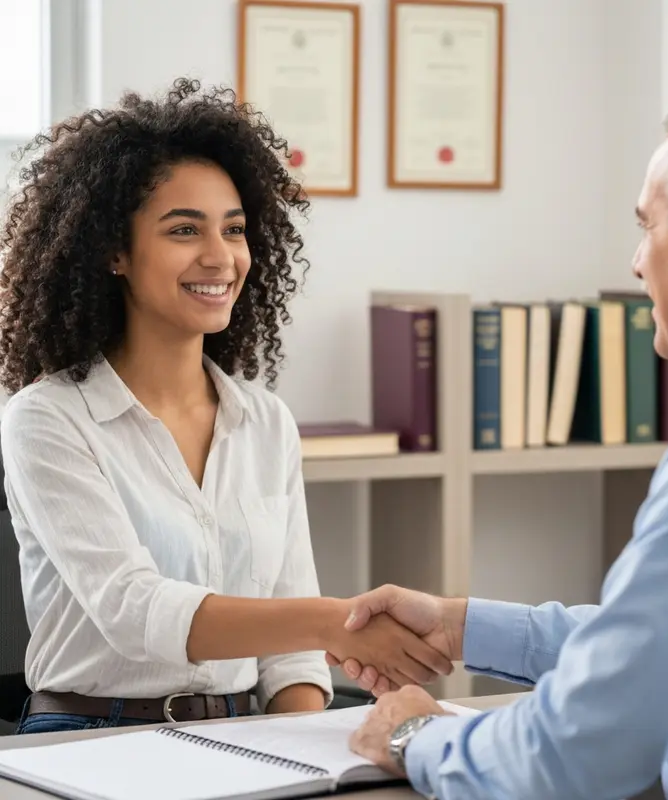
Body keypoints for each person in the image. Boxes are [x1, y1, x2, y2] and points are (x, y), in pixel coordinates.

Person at [330, 86, 668, 799]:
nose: (639, 263)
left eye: (648, 228)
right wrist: (464, 627)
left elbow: (580, 751)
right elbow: (666, 650)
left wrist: (412, 735)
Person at [0, 77, 451, 735]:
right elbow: (135, 611)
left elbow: (291, 658)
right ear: (115, 252)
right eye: (184, 229)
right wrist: (341, 622)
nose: (220, 257)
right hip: (91, 737)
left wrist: (303, 755)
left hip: (243, 733)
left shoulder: (265, 422)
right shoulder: (47, 419)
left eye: (234, 230)